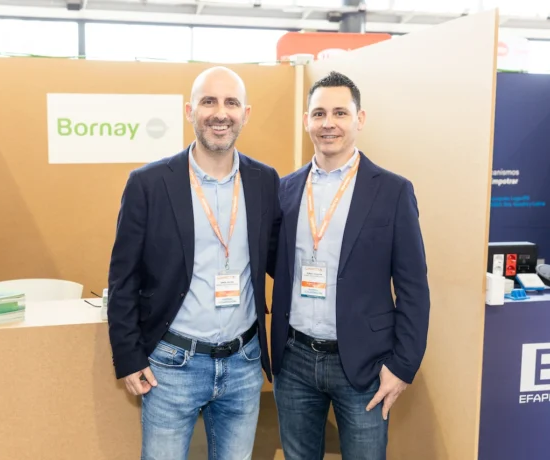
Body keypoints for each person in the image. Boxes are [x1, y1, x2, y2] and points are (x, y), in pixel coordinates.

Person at [107, 66, 282, 460]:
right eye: (208, 102)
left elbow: (278, 259)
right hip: (172, 365)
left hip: (243, 363)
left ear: (245, 113)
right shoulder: (149, 184)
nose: (220, 113)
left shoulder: (264, 181)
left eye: (231, 103)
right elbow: (123, 278)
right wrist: (128, 356)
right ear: (189, 111)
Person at [269, 71, 431, 459]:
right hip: (294, 360)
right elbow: (280, 264)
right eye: (319, 113)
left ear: (360, 119)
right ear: (306, 120)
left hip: (364, 363)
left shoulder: (393, 191)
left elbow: (413, 287)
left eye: (340, 113)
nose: (329, 123)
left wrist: (402, 366)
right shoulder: (285, 189)